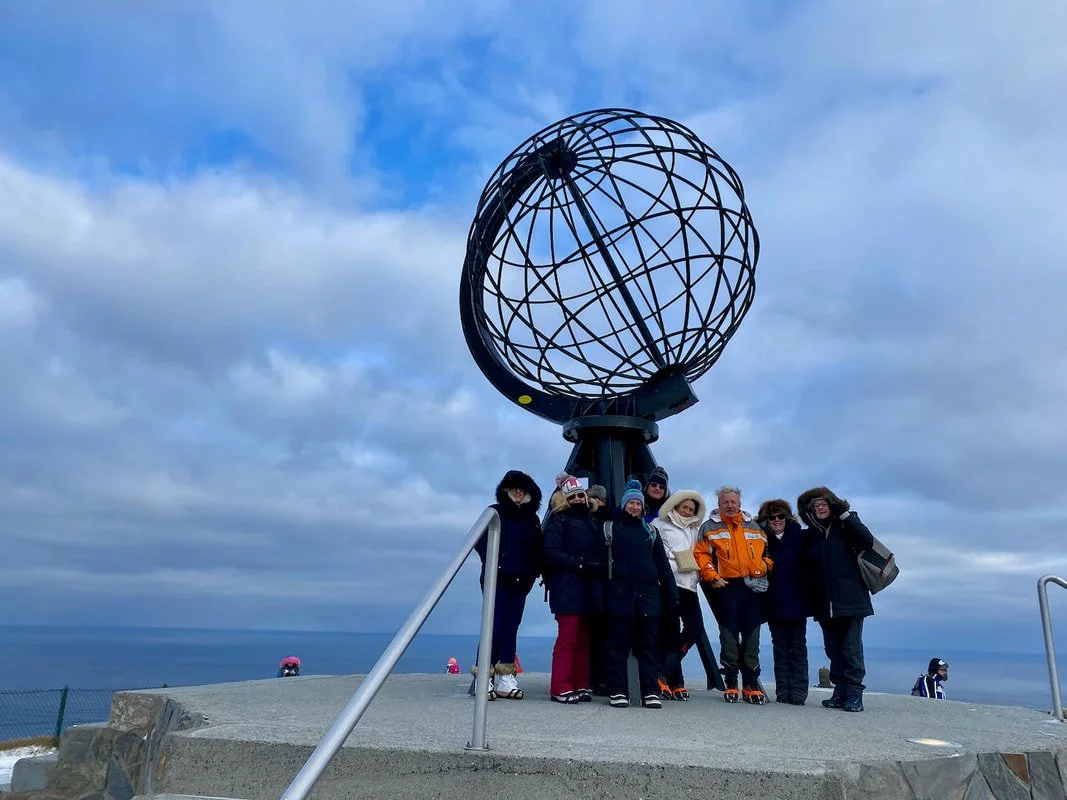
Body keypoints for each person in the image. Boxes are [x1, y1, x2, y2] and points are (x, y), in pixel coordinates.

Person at [797, 486, 876, 713]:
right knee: (833, 648)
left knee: (851, 648)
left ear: (832, 505)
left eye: (824, 504)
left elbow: (867, 541)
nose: (820, 508)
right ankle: (840, 691)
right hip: (824, 602)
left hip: (851, 599)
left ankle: (854, 694)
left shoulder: (846, 523)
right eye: (816, 505)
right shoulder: (812, 534)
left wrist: (844, 513)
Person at [602, 479, 679, 709]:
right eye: (631, 503)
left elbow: (663, 566)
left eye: (638, 504)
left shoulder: (650, 532)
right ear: (624, 505)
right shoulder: (611, 529)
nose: (635, 507)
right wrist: (599, 596)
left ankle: (650, 691)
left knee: (648, 646)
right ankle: (617, 690)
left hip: (647, 596)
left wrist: (672, 594)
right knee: (617, 645)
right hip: (619, 596)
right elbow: (600, 565)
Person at [695, 485, 772, 704]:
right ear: (718, 504)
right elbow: (701, 555)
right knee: (728, 635)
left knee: (752, 635)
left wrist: (764, 567)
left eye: (733, 502)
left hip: (752, 586)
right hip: (726, 586)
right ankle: (731, 682)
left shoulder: (754, 527)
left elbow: (767, 553)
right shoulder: (709, 527)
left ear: (739, 503)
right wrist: (712, 577)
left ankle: (750, 684)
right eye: (725, 502)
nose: (730, 505)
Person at [473, 470, 544, 700]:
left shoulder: (532, 520)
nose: (518, 492)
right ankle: (483, 677)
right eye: (514, 488)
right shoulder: (495, 512)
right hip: (497, 579)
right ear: (506, 490)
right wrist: (497, 562)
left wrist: (532, 572)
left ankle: (505, 676)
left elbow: (537, 549)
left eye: (522, 489)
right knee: (493, 626)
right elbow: (479, 541)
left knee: (511, 627)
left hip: (521, 581)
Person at [543, 472, 603, 704]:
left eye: (580, 495)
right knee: (568, 640)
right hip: (566, 586)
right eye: (573, 496)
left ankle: (580, 684)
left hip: (586, 587)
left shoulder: (591, 522)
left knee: (583, 641)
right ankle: (560, 687)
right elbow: (550, 553)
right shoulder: (559, 521)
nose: (578, 499)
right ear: (565, 500)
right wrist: (579, 563)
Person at [651, 488, 708, 701]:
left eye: (691, 509)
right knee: (670, 632)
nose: (687, 511)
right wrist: (680, 558)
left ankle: (663, 669)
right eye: (684, 507)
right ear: (675, 506)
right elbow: (657, 551)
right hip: (668, 584)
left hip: (690, 585)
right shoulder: (660, 524)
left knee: (695, 628)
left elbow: (700, 553)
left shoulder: (695, 529)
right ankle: (676, 682)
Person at [757, 499, 809, 705]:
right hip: (774, 602)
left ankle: (799, 691)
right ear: (766, 520)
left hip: (797, 601)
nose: (777, 520)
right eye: (772, 518)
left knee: (798, 648)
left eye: (781, 516)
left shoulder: (800, 536)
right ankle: (783, 691)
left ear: (788, 518)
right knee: (780, 648)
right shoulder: (762, 540)